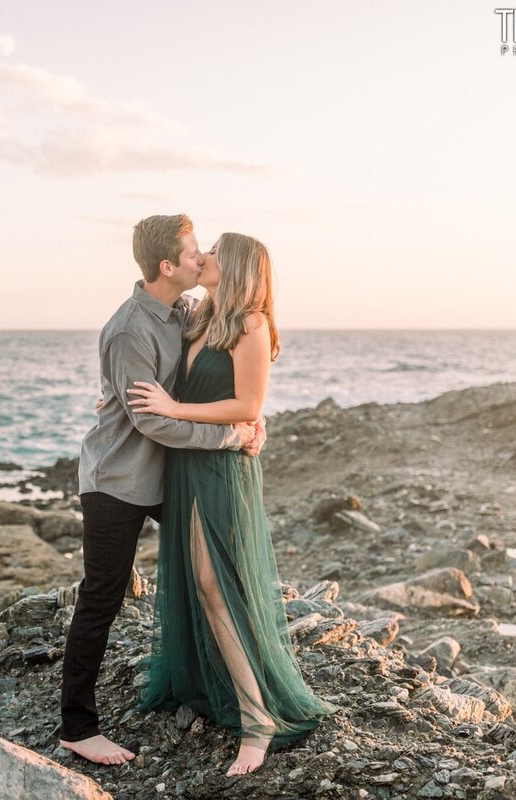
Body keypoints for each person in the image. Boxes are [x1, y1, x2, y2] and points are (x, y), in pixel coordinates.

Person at [127, 232, 338, 776]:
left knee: (217, 584)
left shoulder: (251, 323)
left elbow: (248, 403)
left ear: (239, 264)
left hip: (221, 467)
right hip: (187, 462)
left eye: (216, 249)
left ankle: (257, 719)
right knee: (200, 583)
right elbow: (148, 343)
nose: (206, 256)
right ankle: (217, 687)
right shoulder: (199, 316)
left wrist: (176, 407)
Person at [59, 214, 266, 766]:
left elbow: (225, 380)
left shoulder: (185, 312)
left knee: (213, 576)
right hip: (120, 480)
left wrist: (251, 418)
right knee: (102, 595)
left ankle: (233, 693)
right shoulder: (130, 328)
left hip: (172, 475)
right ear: (167, 266)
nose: (203, 259)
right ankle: (77, 727)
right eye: (196, 252)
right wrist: (229, 435)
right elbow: (152, 421)